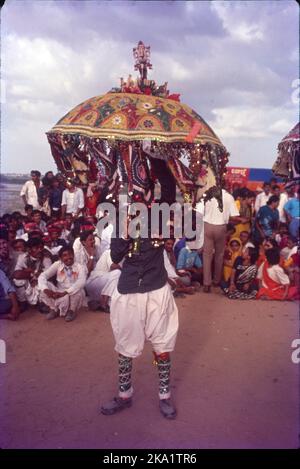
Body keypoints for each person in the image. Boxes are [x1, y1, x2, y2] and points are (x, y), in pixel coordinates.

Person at [101, 212, 178, 420]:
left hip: (157, 291)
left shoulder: (161, 217)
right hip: (128, 292)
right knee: (125, 345)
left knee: (162, 345)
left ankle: (164, 395)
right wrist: (125, 231)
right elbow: (116, 256)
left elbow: (185, 232)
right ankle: (124, 395)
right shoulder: (121, 220)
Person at [202, 189, 241, 292]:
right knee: (219, 255)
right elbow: (234, 216)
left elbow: (199, 211)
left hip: (207, 225)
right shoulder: (229, 197)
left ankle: (206, 283)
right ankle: (216, 281)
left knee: (207, 256)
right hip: (221, 226)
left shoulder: (207, 194)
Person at [38, 246, 87, 322]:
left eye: (70, 254)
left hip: (72, 293)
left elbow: (81, 281)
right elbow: (43, 276)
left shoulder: (80, 267)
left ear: (73, 255)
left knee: (79, 290)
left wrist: (66, 292)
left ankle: (71, 311)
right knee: (43, 288)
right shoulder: (57, 264)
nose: (68, 257)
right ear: (60, 258)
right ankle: (54, 309)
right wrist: (46, 290)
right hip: (59, 292)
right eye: (65, 255)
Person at [13, 238, 52, 311]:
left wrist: (29, 274)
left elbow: (47, 275)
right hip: (30, 282)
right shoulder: (23, 257)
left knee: (46, 283)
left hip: (39, 283)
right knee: (17, 281)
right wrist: (32, 274)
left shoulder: (46, 258)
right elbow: (16, 274)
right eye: (36, 248)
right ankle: (23, 303)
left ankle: (42, 303)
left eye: (41, 247)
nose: (40, 250)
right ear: (29, 249)